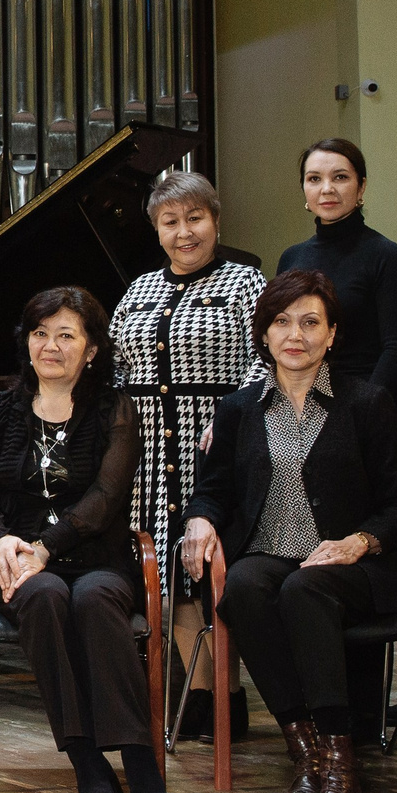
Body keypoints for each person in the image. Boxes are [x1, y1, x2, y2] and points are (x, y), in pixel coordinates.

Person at [181, 268, 397, 793]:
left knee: (304, 587)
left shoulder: (368, 402)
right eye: (282, 322)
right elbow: (212, 487)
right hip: (269, 550)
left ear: (332, 334)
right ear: (263, 334)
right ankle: (307, 752)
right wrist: (199, 519)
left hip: (350, 565)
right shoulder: (239, 409)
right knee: (241, 586)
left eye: (311, 323)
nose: (296, 334)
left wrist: (360, 540)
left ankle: (341, 766)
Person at [0, 287, 167, 793]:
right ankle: (86, 761)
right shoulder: (0, 410)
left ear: (93, 349)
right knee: (46, 596)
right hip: (20, 562)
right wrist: (2, 539)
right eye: (40, 333)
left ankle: (141, 763)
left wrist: (48, 548)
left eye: (66, 335)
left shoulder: (114, 408)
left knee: (96, 599)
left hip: (96, 556)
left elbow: (106, 499)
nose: (50, 346)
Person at [108, 169, 264, 742]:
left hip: (216, 446)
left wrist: (232, 419)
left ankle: (229, 693)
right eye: (170, 222)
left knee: (217, 574)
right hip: (150, 451)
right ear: (156, 230)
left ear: (216, 223)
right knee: (169, 577)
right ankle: (201, 694)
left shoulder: (247, 283)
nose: (184, 232)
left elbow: (267, 358)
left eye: (195, 219)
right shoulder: (139, 290)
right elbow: (119, 368)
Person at [275, 138, 397, 412]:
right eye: (314, 179)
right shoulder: (291, 257)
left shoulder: (385, 255)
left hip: (363, 406)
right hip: (299, 405)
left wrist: (366, 408)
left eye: (340, 177)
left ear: (361, 186)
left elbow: (396, 349)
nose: (327, 189)